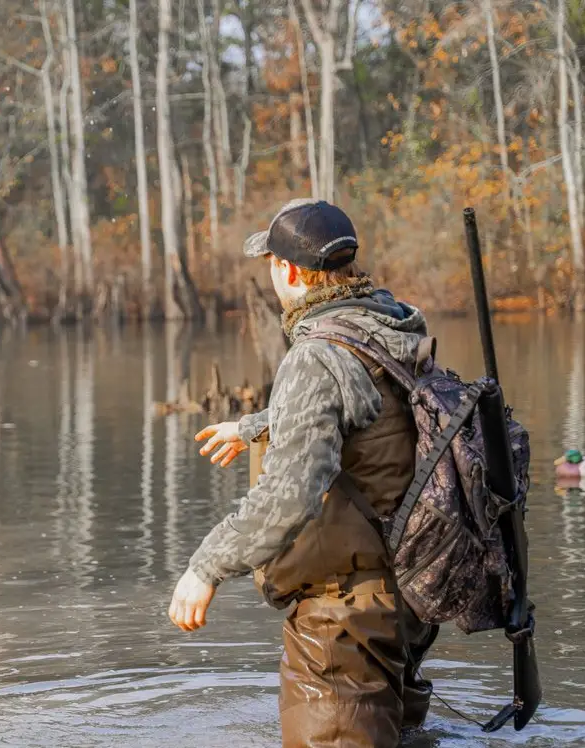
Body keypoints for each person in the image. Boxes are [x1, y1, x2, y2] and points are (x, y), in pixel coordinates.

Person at [167, 198, 438, 747]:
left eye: (269, 261)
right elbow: (370, 411)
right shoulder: (390, 324)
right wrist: (256, 426)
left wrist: (206, 567)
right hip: (409, 597)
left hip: (345, 619)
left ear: (289, 270)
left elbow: (288, 498)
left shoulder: (315, 356)